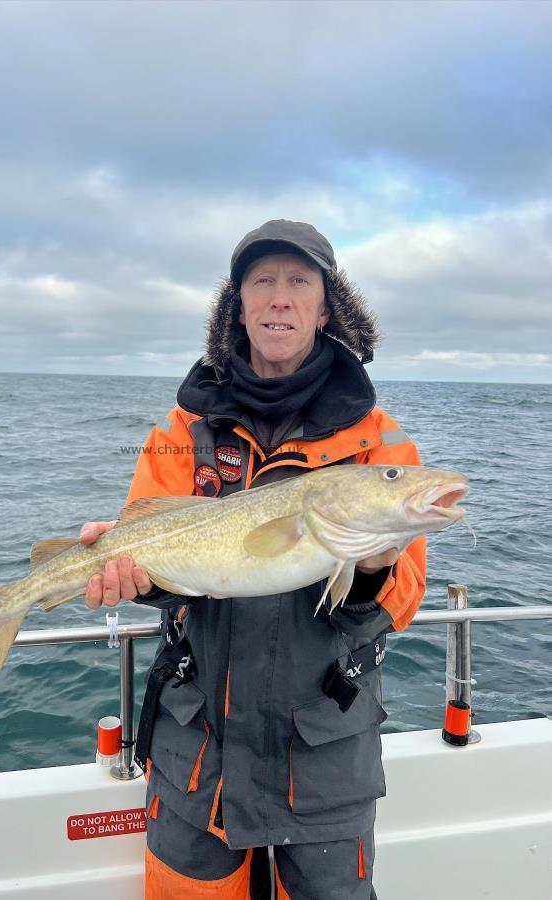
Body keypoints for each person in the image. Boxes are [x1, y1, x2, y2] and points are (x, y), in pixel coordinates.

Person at [82, 220, 426, 899]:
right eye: (260, 282)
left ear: (326, 306)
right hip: (195, 752)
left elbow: (400, 603)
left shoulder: (378, 445)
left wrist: (370, 567)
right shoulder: (180, 436)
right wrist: (133, 581)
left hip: (322, 758)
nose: (279, 298)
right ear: (235, 305)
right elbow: (155, 554)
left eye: (299, 282)